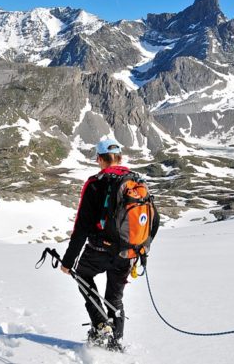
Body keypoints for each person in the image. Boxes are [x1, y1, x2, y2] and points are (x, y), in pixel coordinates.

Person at [60, 139, 159, 350]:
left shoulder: (96, 183)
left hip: (99, 249)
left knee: (83, 276)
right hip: (127, 252)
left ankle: (100, 325)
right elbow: (154, 220)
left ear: (99, 158)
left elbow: (82, 227)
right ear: (120, 157)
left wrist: (68, 261)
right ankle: (116, 343)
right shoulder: (136, 181)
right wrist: (141, 249)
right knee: (115, 297)